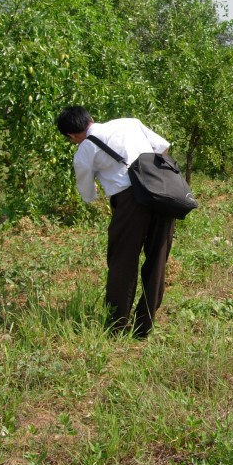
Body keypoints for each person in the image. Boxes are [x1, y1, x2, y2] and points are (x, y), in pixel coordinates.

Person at [57, 106, 176, 339]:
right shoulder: (129, 122)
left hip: (130, 201)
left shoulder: (84, 150)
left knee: (122, 260)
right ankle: (144, 328)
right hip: (163, 193)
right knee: (157, 257)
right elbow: (163, 147)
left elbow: (87, 194)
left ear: (72, 136)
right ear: (91, 118)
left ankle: (116, 327)